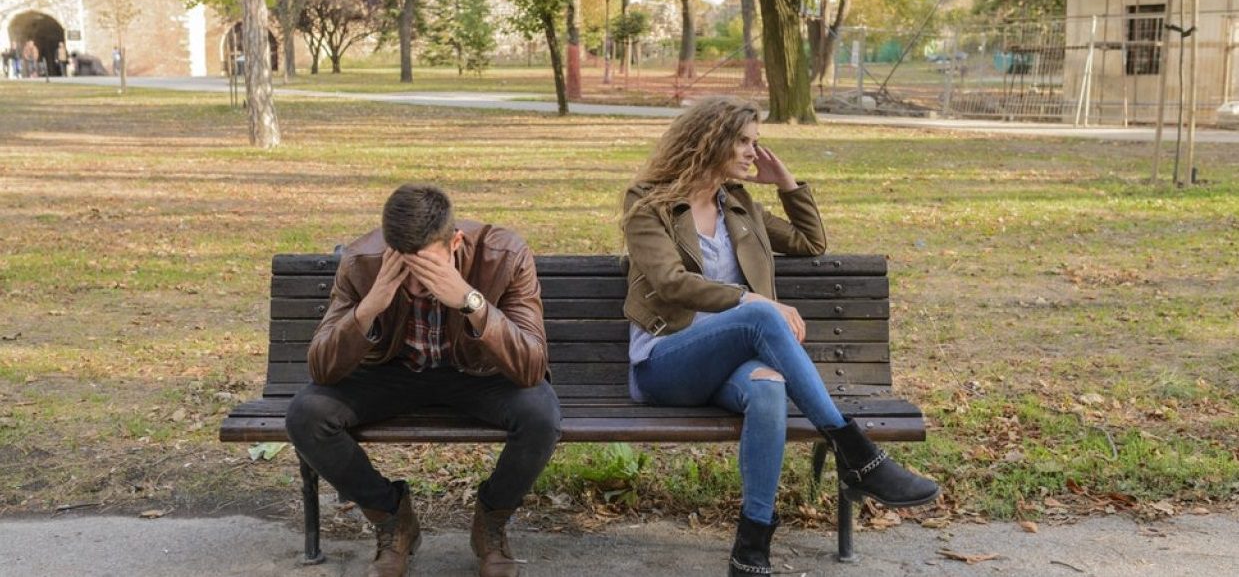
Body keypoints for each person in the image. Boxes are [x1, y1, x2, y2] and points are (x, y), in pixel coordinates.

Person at [620, 97, 939, 577]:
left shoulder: (740, 205)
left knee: (768, 386)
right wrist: (752, 301)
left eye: (756, 142)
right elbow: (669, 282)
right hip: (664, 363)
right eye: (745, 141)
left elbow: (811, 242)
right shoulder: (649, 203)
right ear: (711, 140)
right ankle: (856, 452)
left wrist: (787, 184)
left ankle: (752, 545)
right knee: (761, 317)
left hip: (729, 365)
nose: (753, 152)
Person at [286, 184, 562, 577]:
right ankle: (391, 517)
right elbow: (322, 368)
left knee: (541, 414)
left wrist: (470, 301)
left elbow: (531, 367)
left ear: (455, 243)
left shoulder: (505, 254)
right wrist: (371, 305)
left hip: (476, 374)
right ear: (388, 250)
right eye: (406, 271)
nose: (417, 287)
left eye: (429, 270)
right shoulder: (362, 261)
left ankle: (491, 521)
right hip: (393, 373)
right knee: (306, 415)